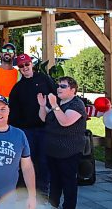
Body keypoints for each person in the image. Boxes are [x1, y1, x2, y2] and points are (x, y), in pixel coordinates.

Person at [8, 53, 56, 197]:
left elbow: (55, 96)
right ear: (19, 69)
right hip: (26, 130)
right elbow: (13, 114)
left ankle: (43, 192)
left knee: (43, 161)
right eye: (21, 66)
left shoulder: (44, 79)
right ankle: (23, 192)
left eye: (27, 64)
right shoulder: (17, 88)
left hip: (45, 128)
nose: (25, 68)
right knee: (26, 162)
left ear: (31, 64)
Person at [38, 76, 87, 209]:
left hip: (68, 152)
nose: (59, 88)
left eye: (63, 86)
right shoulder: (60, 103)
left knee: (68, 183)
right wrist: (43, 106)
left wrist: (54, 105)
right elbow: (43, 118)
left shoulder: (77, 104)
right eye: (58, 86)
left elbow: (65, 121)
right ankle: (53, 205)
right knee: (55, 181)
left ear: (73, 90)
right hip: (53, 151)